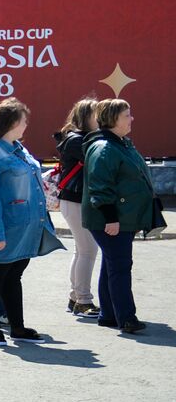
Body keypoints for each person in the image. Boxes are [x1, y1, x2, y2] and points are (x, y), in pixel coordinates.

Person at [0, 98, 59, 346]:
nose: (26, 124)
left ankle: (17, 327)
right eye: (23, 120)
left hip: (21, 230)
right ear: (11, 122)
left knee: (12, 276)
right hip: (3, 230)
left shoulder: (18, 149)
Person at [82, 98, 157, 334]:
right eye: (126, 115)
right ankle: (126, 318)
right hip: (111, 220)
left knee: (112, 264)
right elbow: (100, 187)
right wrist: (111, 218)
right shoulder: (105, 148)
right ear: (113, 119)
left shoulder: (120, 144)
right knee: (120, 267)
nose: (131, 118)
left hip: (122, 218)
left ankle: (109, 315)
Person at [53, 97, 100, 316]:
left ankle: (75, 297)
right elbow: (97, 161)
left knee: (82, 250)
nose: (100, 119)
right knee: (89, 250)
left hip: (74, 200)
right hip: (74, 200)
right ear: (85, 117)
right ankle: (83, 300)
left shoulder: (78, 138)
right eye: (96, 115)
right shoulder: (77, 140)